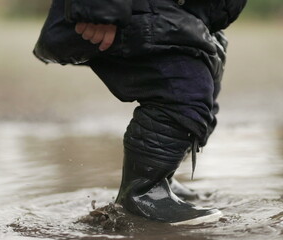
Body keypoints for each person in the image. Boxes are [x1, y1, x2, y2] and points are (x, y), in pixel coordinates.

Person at [34, 0, 247, 225]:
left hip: (181, 12)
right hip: (109, 11)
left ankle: (161, 178)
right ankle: (143, 193)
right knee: (181, 82)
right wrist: (98, 8)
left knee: (208, 62)